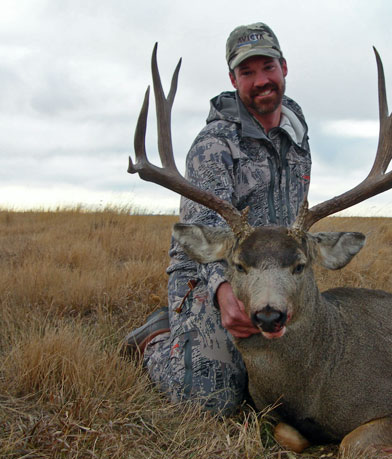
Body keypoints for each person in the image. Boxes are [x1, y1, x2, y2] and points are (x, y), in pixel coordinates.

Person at [124, 22, 311, 415]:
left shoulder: (296, 137)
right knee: (212, 400)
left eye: (268, 67)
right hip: (208, 276)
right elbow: (206, 231)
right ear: (233, 78)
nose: (261, 80)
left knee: (313, 376)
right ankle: (156, 338)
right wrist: (225, 294)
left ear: (284, 68)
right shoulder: (213, 145)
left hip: (272, 277)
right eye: (247, 72)